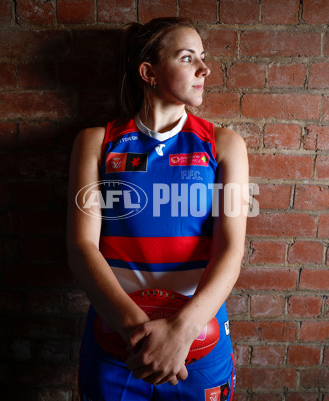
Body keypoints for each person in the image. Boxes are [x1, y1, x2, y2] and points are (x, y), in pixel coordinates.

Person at [67, 17, 248, 401]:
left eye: (203, 57)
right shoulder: (97, 142)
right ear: (149, 72)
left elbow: (231, 249)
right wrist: (140, 334)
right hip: (119, 340)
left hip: (198, 340)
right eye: (187, 58)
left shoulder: (225, 144)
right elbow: (81, 246)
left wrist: (181, 332)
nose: (205, 68)